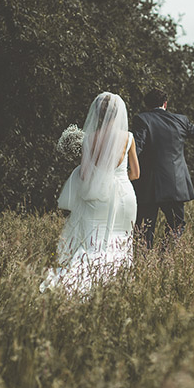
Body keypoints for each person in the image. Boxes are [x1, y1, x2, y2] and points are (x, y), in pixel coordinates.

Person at [40, 92, 140, 295]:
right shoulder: (128, 137)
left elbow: (84, 175)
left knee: (95, 242)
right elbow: (136, 173)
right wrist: (118, 180)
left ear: (97, 114)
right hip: (126, 198)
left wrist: (98, 177)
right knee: (121, 240)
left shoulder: (89, 139)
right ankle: (117, 285)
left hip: (99, 198)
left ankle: (81, 283)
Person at [131, 88, 194, 248]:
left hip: (148, 184)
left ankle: (144, 260)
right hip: (174, 184)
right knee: (176, 224)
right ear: (165, 103)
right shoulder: (180, 120)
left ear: (147, 105)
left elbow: (137, 147)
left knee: (145, 227)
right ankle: (165, 256)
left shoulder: (141, 119)